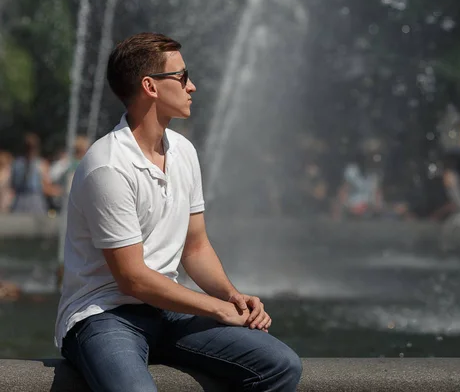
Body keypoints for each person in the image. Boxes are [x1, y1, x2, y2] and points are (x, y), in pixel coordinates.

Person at [55, 33, 301, 392]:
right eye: (183, 77)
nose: (193, 86)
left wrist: (233, 297)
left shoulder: (184, 151)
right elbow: (132, 279)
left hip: (167, 310)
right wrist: (214, 308)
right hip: (104, 314)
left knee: (281, 365)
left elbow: (196, 247)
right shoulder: (107, 166)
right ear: (150, 86)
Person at [10, 132, 61, 214]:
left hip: (19, 201)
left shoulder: (16, 164)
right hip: (35, 202)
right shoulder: (41, 164)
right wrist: (58, 191)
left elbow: (12, 185)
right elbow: (45, 187)